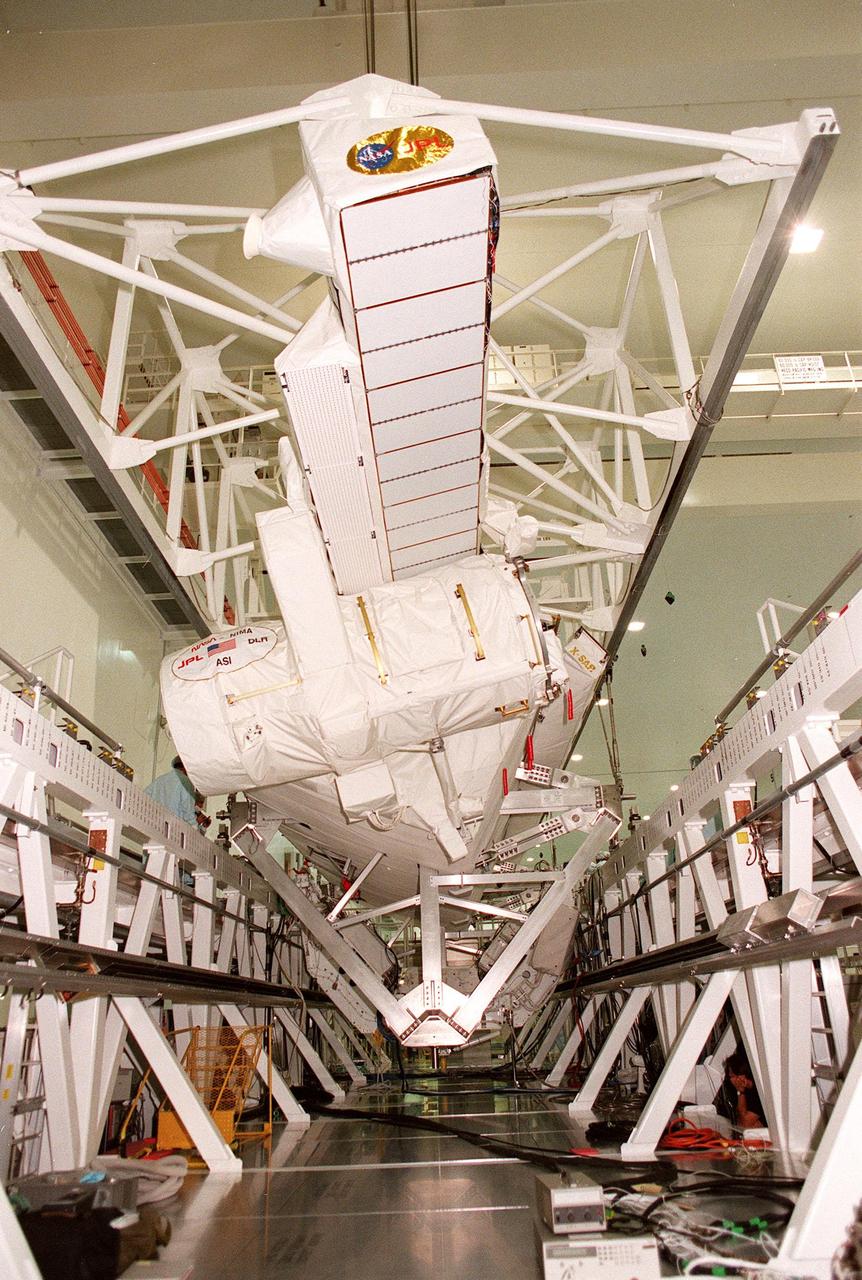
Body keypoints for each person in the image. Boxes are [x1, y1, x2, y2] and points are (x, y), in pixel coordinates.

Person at [145, 756, 196, 827]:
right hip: (173, 830)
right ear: (185, 767)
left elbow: (144, 798)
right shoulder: (185, 781)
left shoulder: (159, 780)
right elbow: (188, 812)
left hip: (154, 826)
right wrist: (196, 829)